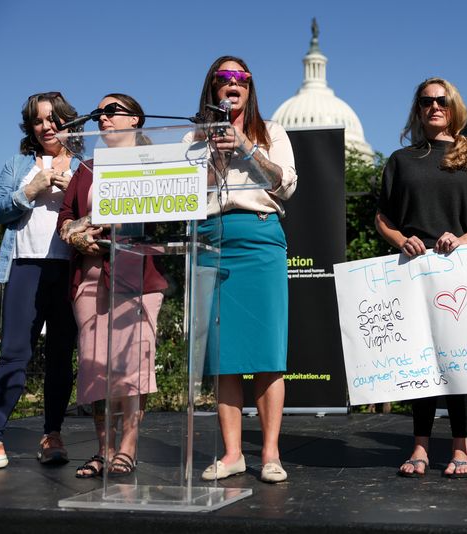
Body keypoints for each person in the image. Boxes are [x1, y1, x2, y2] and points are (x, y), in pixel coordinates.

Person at [375, 77, 467, 478]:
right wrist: (402, 240)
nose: (434, 107)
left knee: (457, 359)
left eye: (442, 100)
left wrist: (465, 239)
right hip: (414, 268)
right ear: (417, 109)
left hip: (460, 267)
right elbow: (383, 218)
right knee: (420, 362)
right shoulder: (401, 159)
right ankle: (419, 446)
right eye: (426, 101)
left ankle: (461, 447)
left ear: (454, 107)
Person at [0, 92, 81, 472]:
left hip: (70, 270)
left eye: (54, 118)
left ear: (68, 121)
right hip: (25, 266)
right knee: (14, 354)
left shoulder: (86, 165)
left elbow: (100, 212)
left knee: (60, 356)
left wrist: (75, 188)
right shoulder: (18, 164)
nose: (47, 126)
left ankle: (52, 435)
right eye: (39, 121)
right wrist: (31, 190)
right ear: (31, 127)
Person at [194, 56, 297, 483]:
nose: (233, 85)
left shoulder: (271, 132)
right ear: (213, 89)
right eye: (224, 78)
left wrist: (244, 147)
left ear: (250, 90)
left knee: (268, 353)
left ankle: (270, 454)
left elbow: (286, 184)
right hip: (212, 241)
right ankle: (233, 453)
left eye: (241, 79)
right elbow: (187, 196)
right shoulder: (191, 139)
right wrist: (215, 158)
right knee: (224, 356)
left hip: (259, 239)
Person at [57, 93, 167, 478]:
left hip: (136, 274)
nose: (103, 118)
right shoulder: (86, 167)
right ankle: (103, 451)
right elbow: (67, 217)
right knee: (95, 369)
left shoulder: (155, 163)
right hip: (90, 278)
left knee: (131, 367)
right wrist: (76, 233)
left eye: (112, 111)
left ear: (136, 120)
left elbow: (168, 208)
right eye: (99, 113)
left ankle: (128, 448)